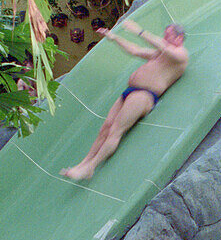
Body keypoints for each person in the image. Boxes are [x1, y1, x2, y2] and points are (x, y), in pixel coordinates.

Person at [60, 17, 188, 181]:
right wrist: (114, 38)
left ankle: (91, 168)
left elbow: (161, 45)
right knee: (105, 127)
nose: (164, 38)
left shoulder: (180, 55)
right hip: (130, 91)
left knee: (115, 130)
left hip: (144, 96)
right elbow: (135, 50)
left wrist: (139, 31)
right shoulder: (160, 52)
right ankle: (83, 163)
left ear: (179, 38)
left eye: (168, 35)